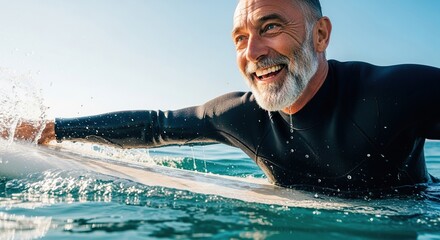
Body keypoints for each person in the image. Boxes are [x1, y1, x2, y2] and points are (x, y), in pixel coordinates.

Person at [7, 0, 440, 195]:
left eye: (270, 27)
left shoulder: (391, 93)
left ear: (320, 34)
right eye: (240, 38)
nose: (252, 53)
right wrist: (49, 130)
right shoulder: (241, 116)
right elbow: (157, 125)